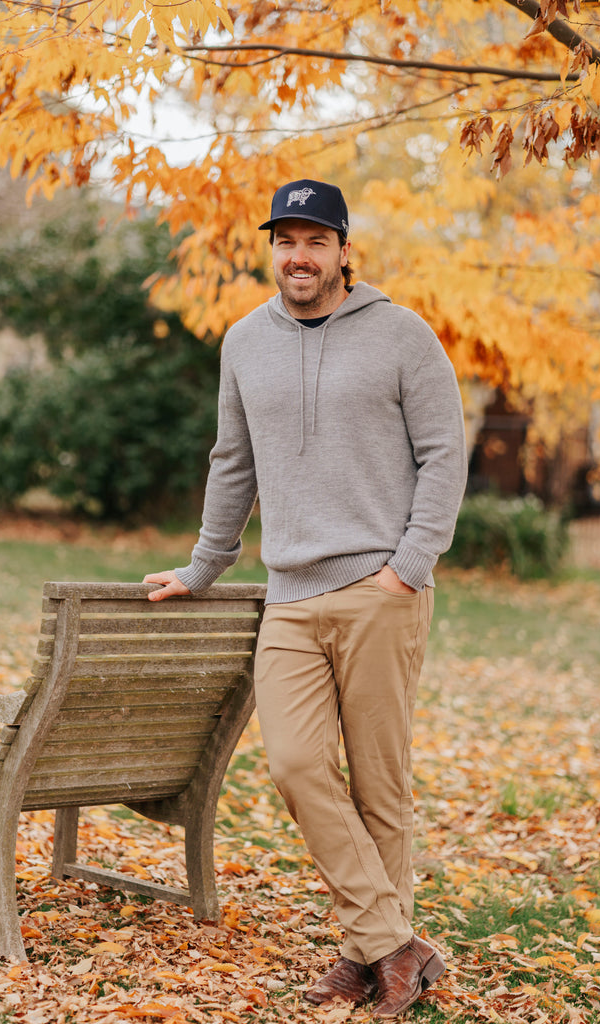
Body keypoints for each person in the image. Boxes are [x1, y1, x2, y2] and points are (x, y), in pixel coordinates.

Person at [143, 179, 468, 1018]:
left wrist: (409, 564)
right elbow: (232, 462)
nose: (299, 255)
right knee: (292, 765)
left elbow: (444, 454)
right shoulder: (244, 342)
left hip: (379, 589)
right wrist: (205, 566)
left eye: (315, 241)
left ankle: (365, 961)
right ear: (273, 250)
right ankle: (397, 945)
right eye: (286, 240)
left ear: (344, 250)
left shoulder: (402, 334)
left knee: (379, 787)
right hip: (288, 594)